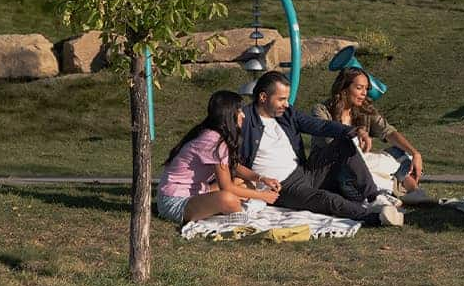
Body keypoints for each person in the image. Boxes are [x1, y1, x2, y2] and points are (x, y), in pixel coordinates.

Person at [238, 71, 404, 227]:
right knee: (327, 199)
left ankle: (375, 197)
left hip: (305, 172)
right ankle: (374, 217)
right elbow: (219, 141)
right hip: (283, 187)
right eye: (281, 99)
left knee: (343, 142)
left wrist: (354, 131)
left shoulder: (287, 114)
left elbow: (320, 125)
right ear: (263, 97)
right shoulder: (242, 121)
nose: (286, 104)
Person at [155, 91, 280, 224]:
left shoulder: (213, 133)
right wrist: (263, 196)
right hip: (175, 201)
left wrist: (261, 178)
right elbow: (226, 188)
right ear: (229, 115)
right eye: (239, 111)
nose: (243, 115)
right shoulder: (214, 141)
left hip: (198, 190)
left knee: (244, 183)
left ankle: (229, 205)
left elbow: (233, 167)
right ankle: (236, 212)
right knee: (228, 198)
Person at [312, 67, 425, 202]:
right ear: (344, 88)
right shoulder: (321, 110)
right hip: (333, 166)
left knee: (402, 153)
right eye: (359, 88)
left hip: (364, 161)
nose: (364, 93)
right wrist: (356, 133)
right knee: (357, 172)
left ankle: (412, 191)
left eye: (366, 89)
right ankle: (391, 191)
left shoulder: (364, 109)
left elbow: (388, 131)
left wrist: (415, 153)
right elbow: (329, 140)